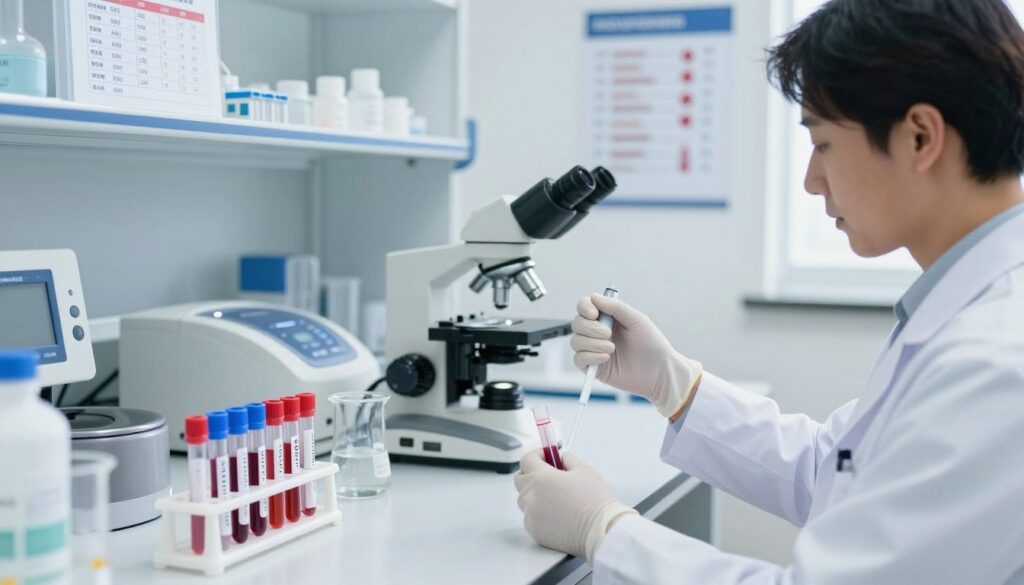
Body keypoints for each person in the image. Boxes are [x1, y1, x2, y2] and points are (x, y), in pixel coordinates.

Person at [513, 0, 1024, 582]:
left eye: (824, 143)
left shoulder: (997, 360)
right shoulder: (968, 312)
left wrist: (605, 529)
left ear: (919, 136)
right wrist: (672, 383)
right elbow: (832, 472)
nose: (810, 180)